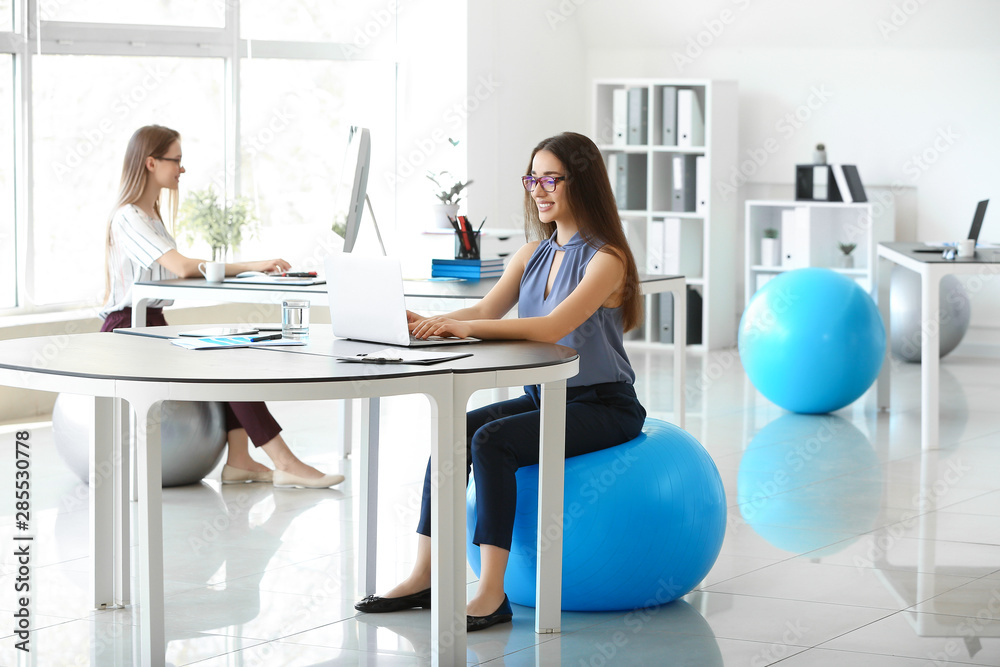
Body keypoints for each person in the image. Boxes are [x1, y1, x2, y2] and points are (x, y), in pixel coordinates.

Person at [354, 132, 646, 630]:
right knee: (455, 432)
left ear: (584, 183)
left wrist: (464, 327)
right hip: (546, 397)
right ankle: (424, 576)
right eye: (533, 177)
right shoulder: (531, 253)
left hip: (605, 405)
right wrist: (423, 321)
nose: (539, 188)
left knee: (492, 441)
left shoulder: (607, 259)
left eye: (551, 177)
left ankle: (492, 594)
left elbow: (555, 327)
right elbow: (488, 310)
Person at [101, 124, 343, 489]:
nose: (182, 169)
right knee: (222, 359)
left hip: (153, 322)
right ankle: (284, 461)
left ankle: (240, 460)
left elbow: (180, 272)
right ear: (151, 163)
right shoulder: (129, 216)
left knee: (228, 354)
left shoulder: (150, 216)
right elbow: (181, 267)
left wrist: (249, 271)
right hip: (127, 329)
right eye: (176, 160)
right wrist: (252, 265)